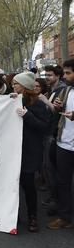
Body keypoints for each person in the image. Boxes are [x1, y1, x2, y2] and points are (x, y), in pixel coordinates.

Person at [11, 73, 51, 232]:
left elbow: (43, 127)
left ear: (25, 86)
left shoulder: (39, 104)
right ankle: (13, 215)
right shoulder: (15, 100)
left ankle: (32, 216)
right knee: (14, 184)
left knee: (28, 184)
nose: (13, 86)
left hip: (30, 151)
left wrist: (28, 115)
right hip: (14, 150)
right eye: (13, 84)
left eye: (16, 84)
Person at [47, 59, 74, 229]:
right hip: (64, 143)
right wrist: (57, 106)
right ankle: (65, 218)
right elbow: (58, 111)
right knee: (63, 182)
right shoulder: (67, 90)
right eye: (64, 73)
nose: (65, 76)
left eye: (68, 73)